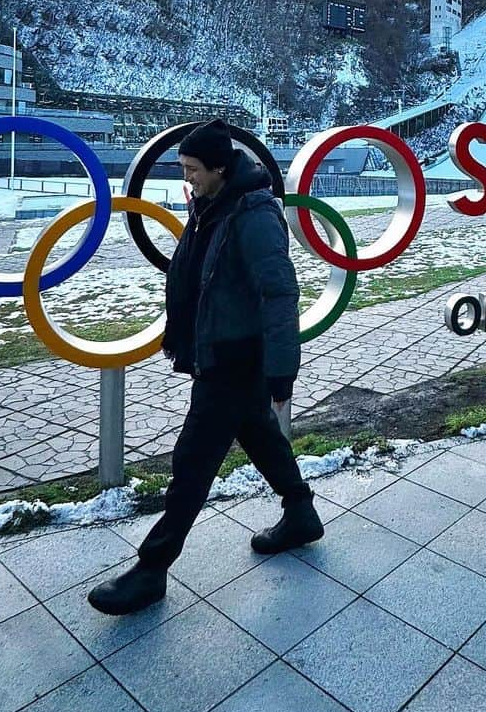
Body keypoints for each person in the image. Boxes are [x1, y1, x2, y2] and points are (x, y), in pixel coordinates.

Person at [88, 118, 323, 615]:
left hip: (237, 359)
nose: (186, 177)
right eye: (183, 168)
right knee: (259, 435)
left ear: (220, 167)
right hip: (218, 351)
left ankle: (152, 568)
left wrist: (283, 368)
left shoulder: (254, 213)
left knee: (192, 463)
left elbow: (280, 293)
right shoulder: (212, 204)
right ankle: (300, 513)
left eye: (193, 169)